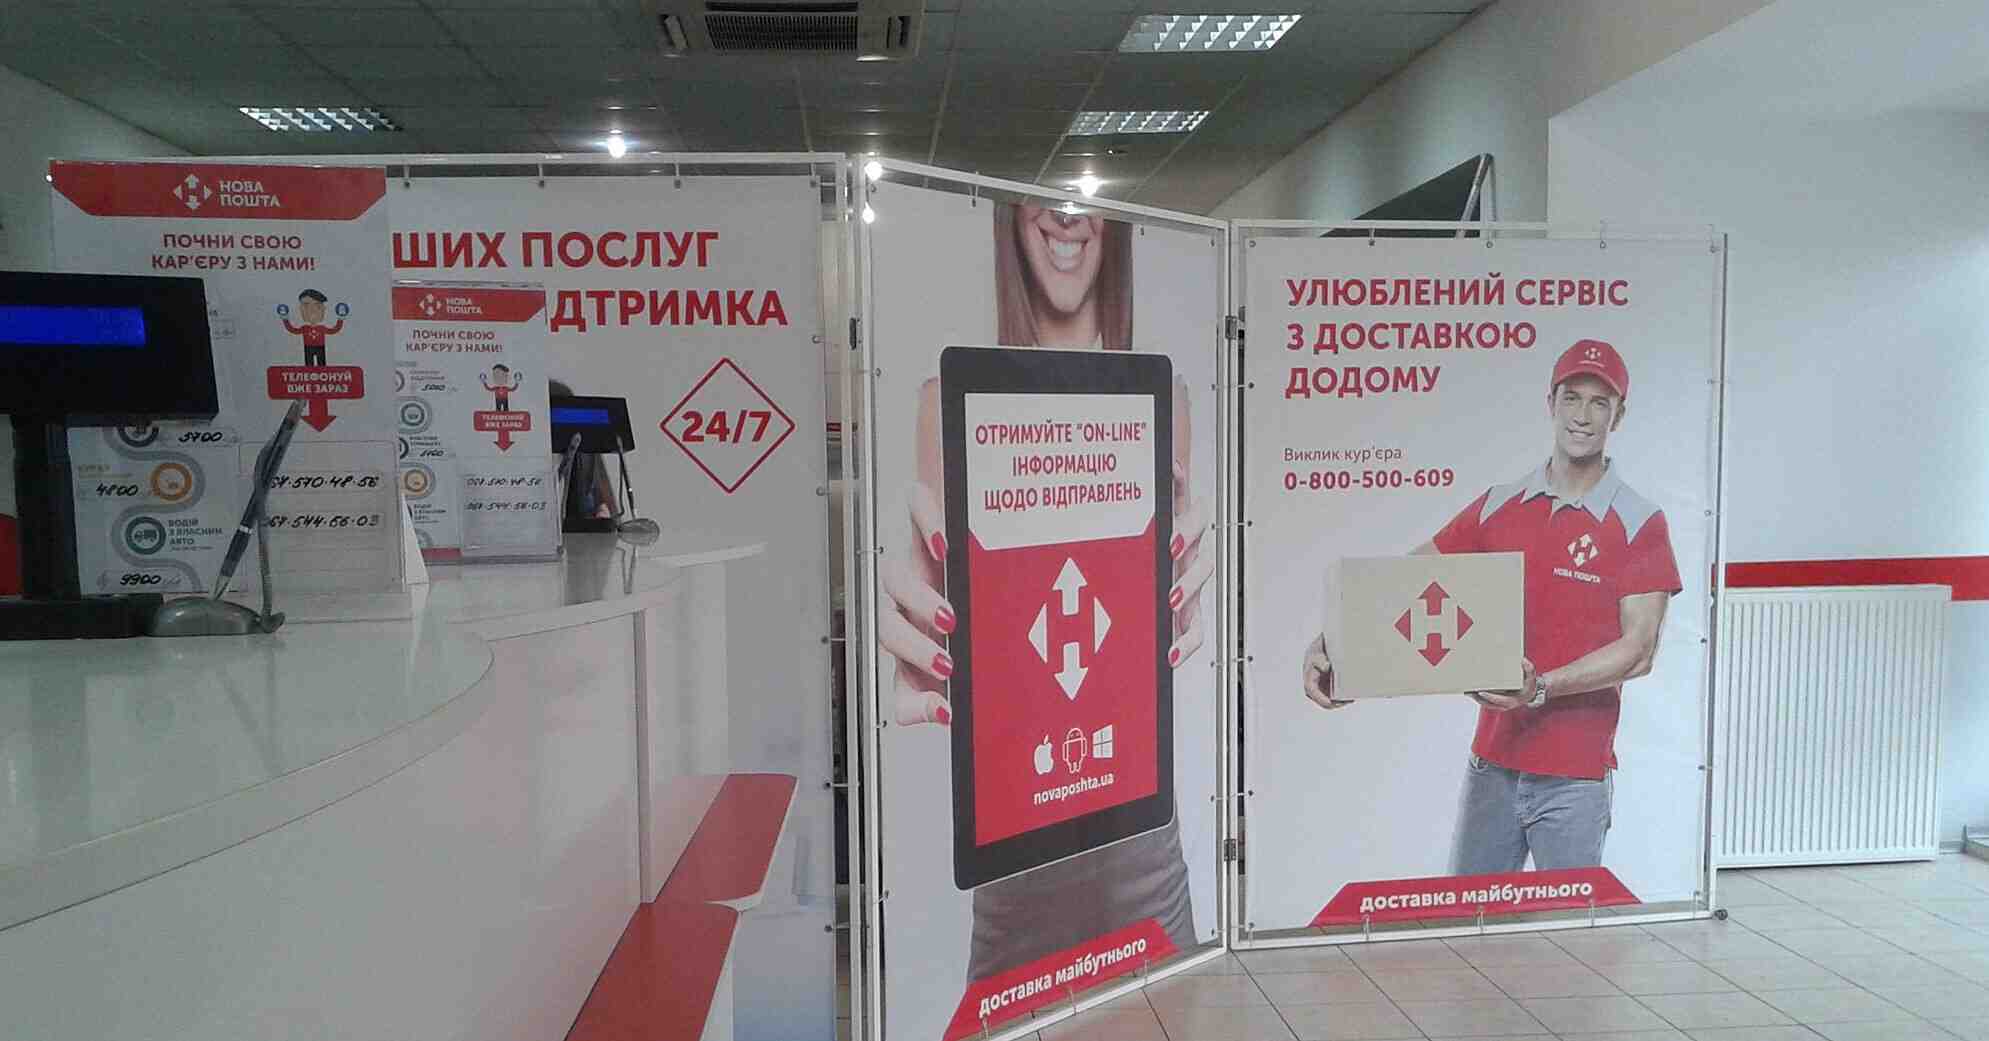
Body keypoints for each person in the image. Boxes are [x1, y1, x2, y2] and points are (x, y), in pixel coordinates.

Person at [877, 201, 1212, 985]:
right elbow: (941, 615)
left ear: (1115, 228)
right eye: (1044, 203)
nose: (1066, 221)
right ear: (1009, 221)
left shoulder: (1163, 396)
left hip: (1137, 826)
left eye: (1087, 208)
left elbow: (1159, 604)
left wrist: (1188, 595)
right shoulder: (948, 397)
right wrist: (911, 642)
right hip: (1014, 836)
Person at [1300, 339, 1681, 875]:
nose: (1583, 415)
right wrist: (1332, 645)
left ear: (1618, 416)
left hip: (1574, 779)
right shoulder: (1500, 506)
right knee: (1466, 919)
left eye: (1600, 402)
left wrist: (1540, 687)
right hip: (1492, 769)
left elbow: (1639, 650)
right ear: (1550, 403)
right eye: (1572, 398)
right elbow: (1397, 587)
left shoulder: (1640, 521)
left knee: (1563, 924)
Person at [283, 289, 343, 366]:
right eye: (306, 305)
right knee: (309, 364)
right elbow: (293, 330)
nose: (312, 310)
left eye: (317, 306)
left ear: (323, 309)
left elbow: (334, 330)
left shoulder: (322, 328)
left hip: (320, 347)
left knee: (321, 364)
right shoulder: (305, 328)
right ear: (300, 309)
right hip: (308, 348)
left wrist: (340, 318)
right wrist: (285, 319)